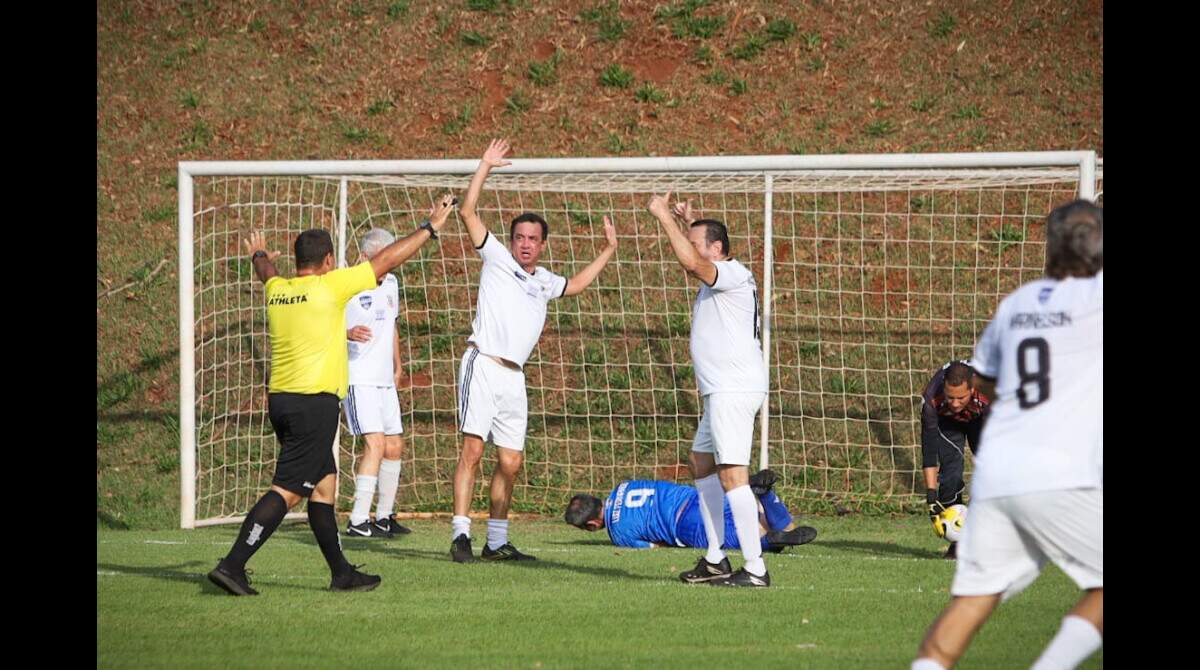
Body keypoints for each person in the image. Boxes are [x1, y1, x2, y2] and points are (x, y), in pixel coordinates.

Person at [206, 194, 456, 596]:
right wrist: (429, 228)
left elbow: (266, 271)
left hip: (281, 401)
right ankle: (232, 565)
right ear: (326, 262)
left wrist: (257, 253)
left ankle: (341, 573)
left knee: (324, 488)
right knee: (288, 490)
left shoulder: (278, 289)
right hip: (314, 404)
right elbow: (386, 261)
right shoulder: (331, 286)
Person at [912, 200, 1103, 669]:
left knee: (974, 599)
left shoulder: (1017, 305)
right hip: (1061, 468)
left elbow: (989, 382)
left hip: (1000, 472)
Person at [449, 138, 618, 563]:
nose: (525, 244)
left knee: (511, 461)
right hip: (483, 363)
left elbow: (575, 285)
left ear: (543, 244)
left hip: (514, 377)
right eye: (520, 237)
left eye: (533, 238)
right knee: (473, 451)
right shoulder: (497, 259)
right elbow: (468, 212)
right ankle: (461, 535)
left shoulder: (544, 279)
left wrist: (608, 251)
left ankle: (497, 542)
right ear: (511, 241)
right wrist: (484, 164)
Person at [646, 194, 771, 587]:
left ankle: (755, 568)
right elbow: (698, 253)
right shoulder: (721, 272)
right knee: (702, 461)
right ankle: (717, 558)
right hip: (720, 391)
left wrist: (664, 216)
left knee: (733, 475)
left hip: (733, 390)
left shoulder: (730, 273)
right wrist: (689, 223)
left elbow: (692, 260)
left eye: (701, 243)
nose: (695, 249)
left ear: (718, 250)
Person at [342, 228, 412, 538]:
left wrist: (398, 364)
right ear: (368, 257)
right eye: (384, 256)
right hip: (359, 378)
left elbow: (391, 325)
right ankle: (358, 519)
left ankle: (383, 517)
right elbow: (321, 321)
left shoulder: (392, 283)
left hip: (384, 380)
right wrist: (345, 333)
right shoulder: (346, 284)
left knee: (395, 445)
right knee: (376, 443)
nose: (390, 262)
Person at [564, 470, 817, 552]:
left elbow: (657, 546)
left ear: (592, 525)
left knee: (746, 540)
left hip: (686, 525)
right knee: (782, 526)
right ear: (595, 498)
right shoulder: (624, 485)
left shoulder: (618, 534)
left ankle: (771, 544)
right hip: (698, 496)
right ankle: (765, 494)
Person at [920, 360, 990, 559]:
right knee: (950, 475)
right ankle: (957, 542)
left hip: (982, 421)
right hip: (947, 423)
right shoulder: (931, 400)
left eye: (961, 397)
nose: (955, 403)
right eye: (950, 397)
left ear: (973, 388)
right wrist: (931, 496)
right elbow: (929, 451)